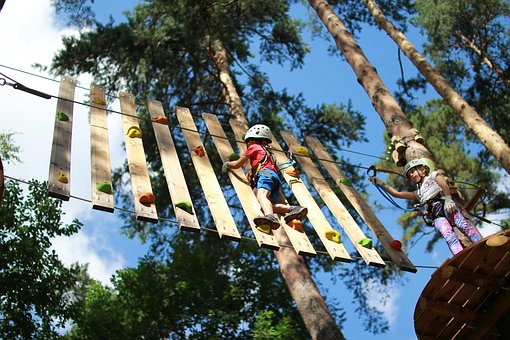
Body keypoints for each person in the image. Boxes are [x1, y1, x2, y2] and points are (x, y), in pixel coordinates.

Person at [370, 158, 482, 255]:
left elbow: (443, 183)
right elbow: (397, 194)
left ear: (423, 170)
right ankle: (459, 254)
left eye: (413, 171)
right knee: (447, 234)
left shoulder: (433, 176)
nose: (412, 175)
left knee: (462, 224)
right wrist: (381, 184)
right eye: (410, 175)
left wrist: (448, 198)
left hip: (445, 204)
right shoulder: (419, 192)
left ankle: (479, 242)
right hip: (436, 215)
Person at [222, 124, 307, 231]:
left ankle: (270, 217)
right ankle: (293, 209)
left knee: (261, 196)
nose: (248, 144)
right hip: (273, 177)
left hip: (265, 174)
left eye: (248, 141)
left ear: (253, 140)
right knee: (266, 205)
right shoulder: (268, 152)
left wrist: (227, 164)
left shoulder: (253, 147)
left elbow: (238, 164)